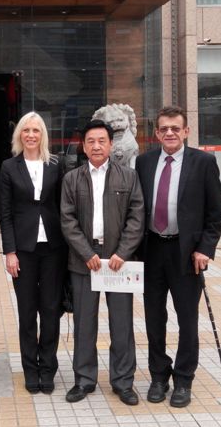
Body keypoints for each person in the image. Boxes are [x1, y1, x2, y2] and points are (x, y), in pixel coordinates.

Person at [135, 106, 221, 408]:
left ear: (186, 131)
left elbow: (215, 213)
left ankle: (184, 379)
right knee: (153, 318)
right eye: (164, 128)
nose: (170, 133)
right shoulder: (144, 162)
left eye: (175, 128)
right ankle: (159, 375)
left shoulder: (203, 162)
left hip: (186, 253)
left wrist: (205, 249)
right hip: (152, 250)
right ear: (156, 133)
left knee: (187, 319)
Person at [60, 119, 144, 405]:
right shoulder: (72, 179)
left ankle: (123, 382)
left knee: (122, 324)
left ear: (110, 144)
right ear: (84, 147)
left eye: (102, 141)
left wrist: (123, 252)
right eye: (91, 142)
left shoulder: (128, 177)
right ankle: (84, 380)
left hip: (119, 260)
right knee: (84, 323)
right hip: (85, 261)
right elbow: (67, 220)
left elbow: (136, 217)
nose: (96, 146)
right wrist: (86, 253)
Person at [0, 112, 66, 395]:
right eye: (26, 130)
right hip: (23, 250)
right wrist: (9, 251)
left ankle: (48, 367)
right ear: (19, 135)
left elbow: (64, 205)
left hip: (53, 249)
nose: (30, 135)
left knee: (50, 311)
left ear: (43, 135)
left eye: (36, 130)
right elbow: (5, 213)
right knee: (27, 313)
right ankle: (30, 368)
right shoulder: (9, 167)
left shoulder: (56, 164)